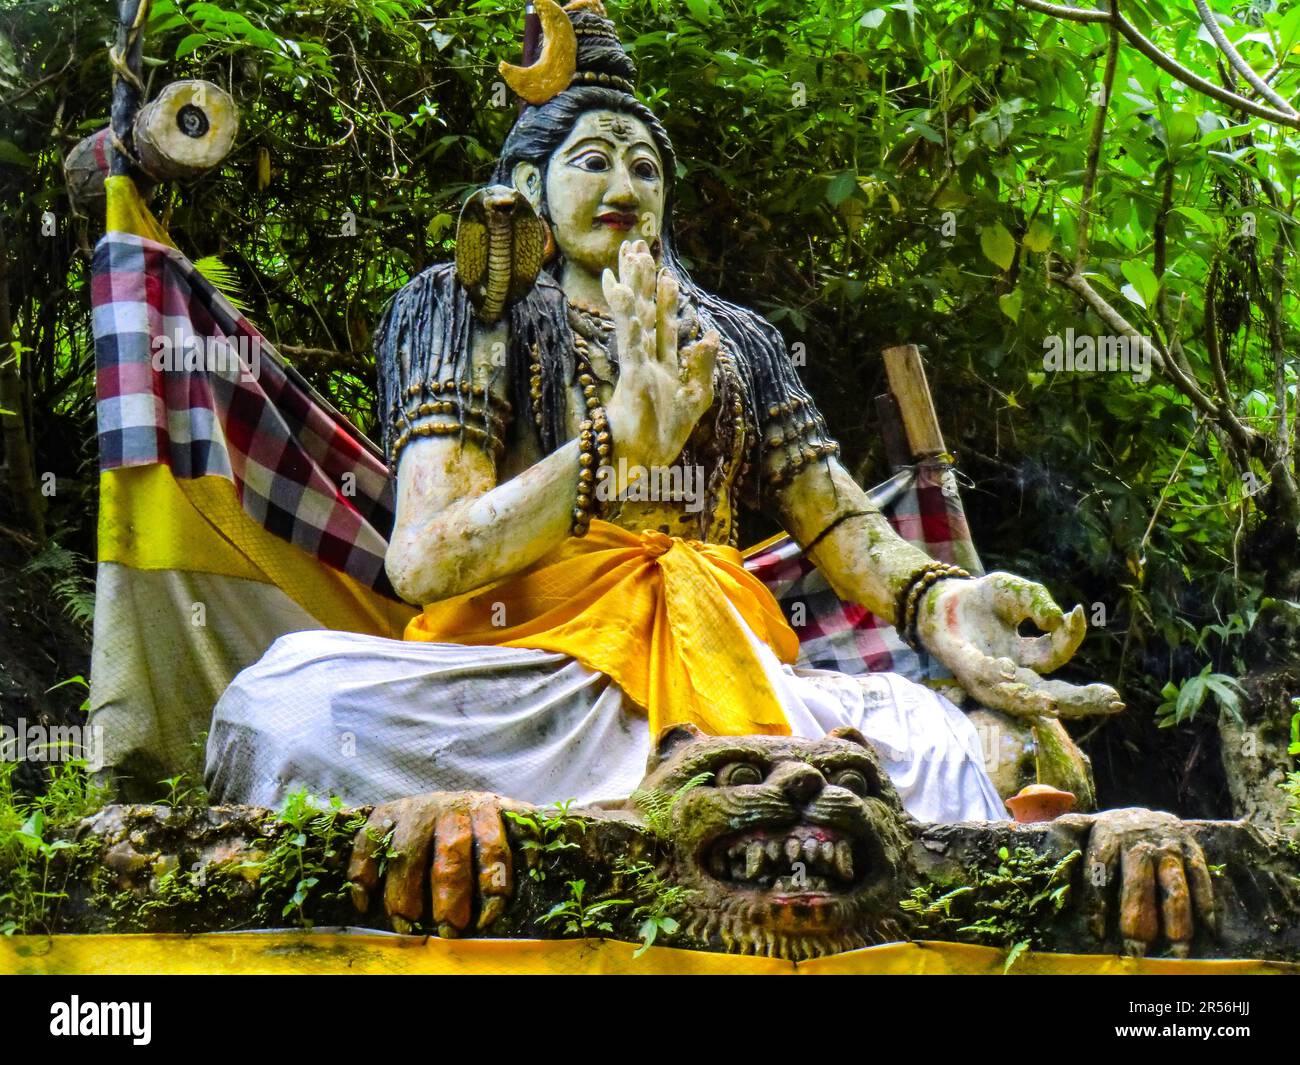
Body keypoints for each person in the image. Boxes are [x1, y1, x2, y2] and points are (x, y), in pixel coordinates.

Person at [206, 0, 1121, 838]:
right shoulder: (474, 303)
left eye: (645, 167)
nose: (626, 186)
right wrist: (610, 451)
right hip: (536, 684)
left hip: (735, 681)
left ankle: (722, 781)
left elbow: (839, 519)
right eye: (593, 159)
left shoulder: (737, 340)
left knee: (961, 741)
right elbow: (423, 560)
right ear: (528, 180)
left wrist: (943, 600)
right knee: (286, 701)